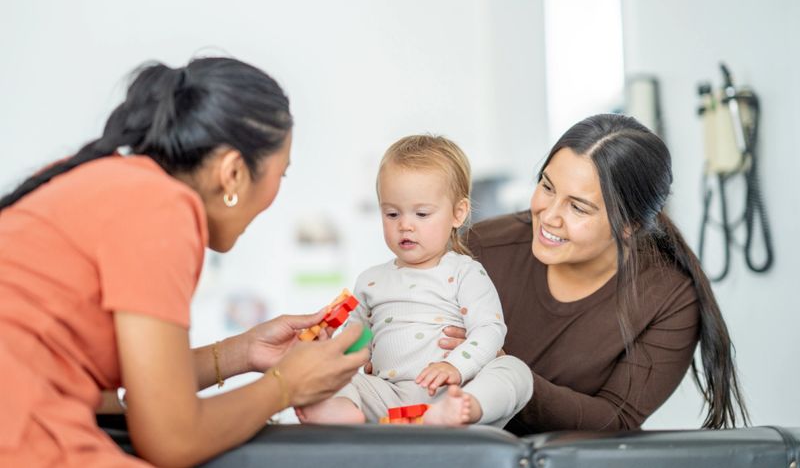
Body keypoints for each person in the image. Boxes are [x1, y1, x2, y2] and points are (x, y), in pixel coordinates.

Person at [0, 57, 369, 467]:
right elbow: (172, 438)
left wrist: (243, 352)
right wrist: (290, 385)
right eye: (280, 175)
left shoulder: (113, 183)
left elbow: (138, 383)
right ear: (232, 173)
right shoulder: (159, 207)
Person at [439, 113, 749, 434]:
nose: (549, 217)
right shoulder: (483, 246)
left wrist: (504, 370)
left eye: (578, 207)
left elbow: (616, 420)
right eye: (547, 186)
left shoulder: (668, 298)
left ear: (630, 225)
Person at [296, 135, 533, 426]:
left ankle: (465, 409)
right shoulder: (370, 281)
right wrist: (329, 346)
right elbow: (358, 343)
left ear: (458, 213)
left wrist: (455, 367)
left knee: (514, 370)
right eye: (392, 213)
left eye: (421, 214)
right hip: (389, 396)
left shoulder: (465, 272)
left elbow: (489, 329)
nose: (405, 225)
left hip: (453, 391)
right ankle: (342, 410)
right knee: (339, 379)